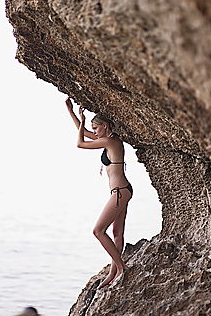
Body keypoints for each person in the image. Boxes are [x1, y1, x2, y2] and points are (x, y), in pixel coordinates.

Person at [66, 97, 133, 288]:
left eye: (96, 128)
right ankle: (113, 273)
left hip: (120, 192)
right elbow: (85, 133)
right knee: (116, 233)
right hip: (123, 191)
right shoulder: (109, 139)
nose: (94, 132)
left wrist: (84, 121)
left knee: (98, 231)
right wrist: (73, 113)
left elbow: (80, 143)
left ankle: (121, 268)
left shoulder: (112, 143)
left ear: (104, 126)